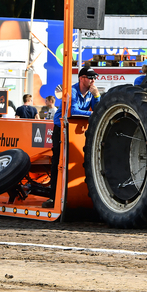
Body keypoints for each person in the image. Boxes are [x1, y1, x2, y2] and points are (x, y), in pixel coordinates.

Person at [44, 66, 101, 208]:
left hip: (76, 130)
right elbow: (73, 110)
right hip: (61, 129)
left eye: (94, 77)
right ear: (81, 78)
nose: (93, 80)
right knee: (58, 162)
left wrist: (97, 96)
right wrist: (93, 114)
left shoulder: (90, 92)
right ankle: (54, 197)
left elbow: (98, 109)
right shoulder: (72, 91)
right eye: (90, 77)